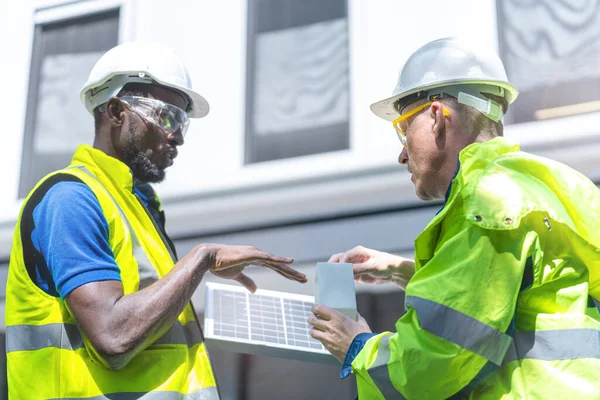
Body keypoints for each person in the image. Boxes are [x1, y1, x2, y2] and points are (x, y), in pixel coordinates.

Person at [5, 41, 307, 399]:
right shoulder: (71, 198)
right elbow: (113, 338)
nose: (177, 135)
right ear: (116, 112)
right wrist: (201, 259)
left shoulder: (138, 204)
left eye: (183, 123)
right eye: (167, 117)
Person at [308, 37, 600, 399]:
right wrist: (405, 271)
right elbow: (523, 294)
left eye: (403, 128)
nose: (401, 154)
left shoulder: (487, 200)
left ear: (435, 117)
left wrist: (357, 347)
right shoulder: (559, 186)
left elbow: (437, 361)